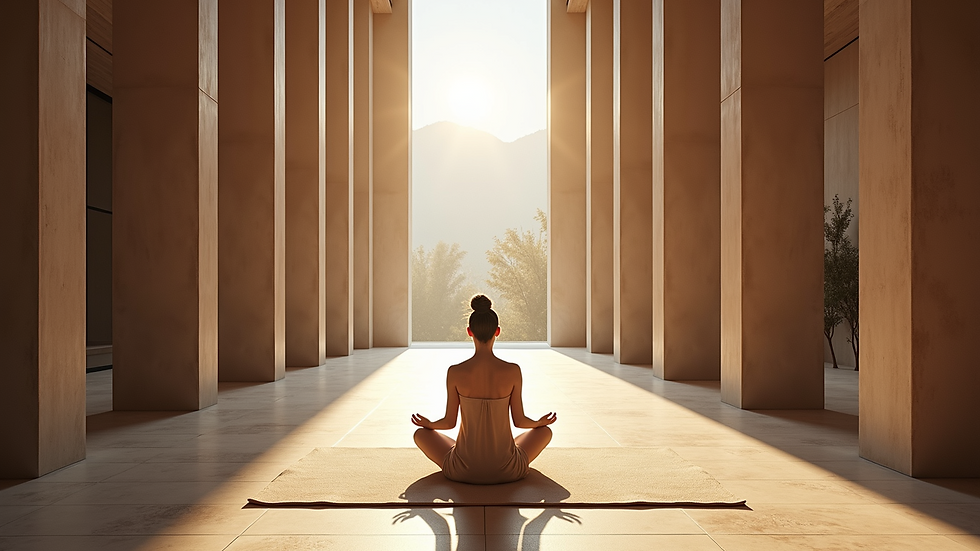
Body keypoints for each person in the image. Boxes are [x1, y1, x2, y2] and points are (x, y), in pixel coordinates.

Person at [411, 294, 557, 484]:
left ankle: (468, 451)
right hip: (508, 470)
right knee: (544, 431)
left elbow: (449, 423)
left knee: (420, 434)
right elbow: (520, 421)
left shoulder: (455, 372)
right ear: (497, 331)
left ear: (469, 332)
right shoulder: (512, 371)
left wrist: (429, 424)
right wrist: (538, 422)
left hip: (462, 470)